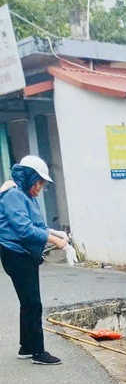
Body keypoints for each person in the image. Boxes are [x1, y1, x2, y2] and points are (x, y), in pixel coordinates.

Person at [0, 155, 69, 365]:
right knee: (32, 303)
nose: (40, 188)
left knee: (27, 302)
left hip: (24, 253)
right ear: (29, 178)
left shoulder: (25, 194)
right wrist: (55, 241)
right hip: (15, 253)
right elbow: (24, 230)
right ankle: (38, 352)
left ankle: (26, 347)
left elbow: (35, 225)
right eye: (39, 183)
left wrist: (54, 232)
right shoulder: (12, 195)